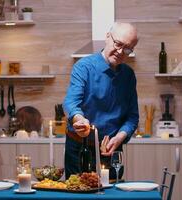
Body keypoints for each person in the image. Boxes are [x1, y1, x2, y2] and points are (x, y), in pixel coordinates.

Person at [63, 22, 139, 180]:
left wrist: (119, 138)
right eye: (117, 44)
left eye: (127, 49)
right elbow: (71, 103)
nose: (120, 52)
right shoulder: (83, 67)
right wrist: (80, 119)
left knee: (110, 195)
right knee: (78, 193)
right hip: (79, 148)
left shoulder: (128, 75)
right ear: (107, 37)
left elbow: (132, 117)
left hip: (111, 150)